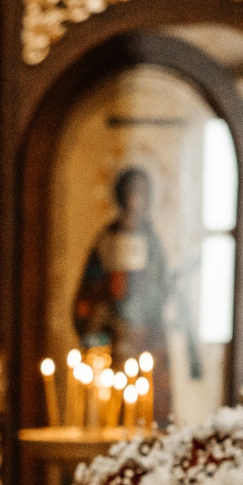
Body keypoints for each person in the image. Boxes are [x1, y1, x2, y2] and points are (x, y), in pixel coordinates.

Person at [72, 166, 178, 389]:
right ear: (121, 194)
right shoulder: (107, 238)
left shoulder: (152, 240)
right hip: (112, 333)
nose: (135, 197)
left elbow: (162, 286)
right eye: (131, 190)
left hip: (146, 335)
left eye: (141, 191)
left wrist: (144, 307)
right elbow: (89, 287)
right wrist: (108, 289)